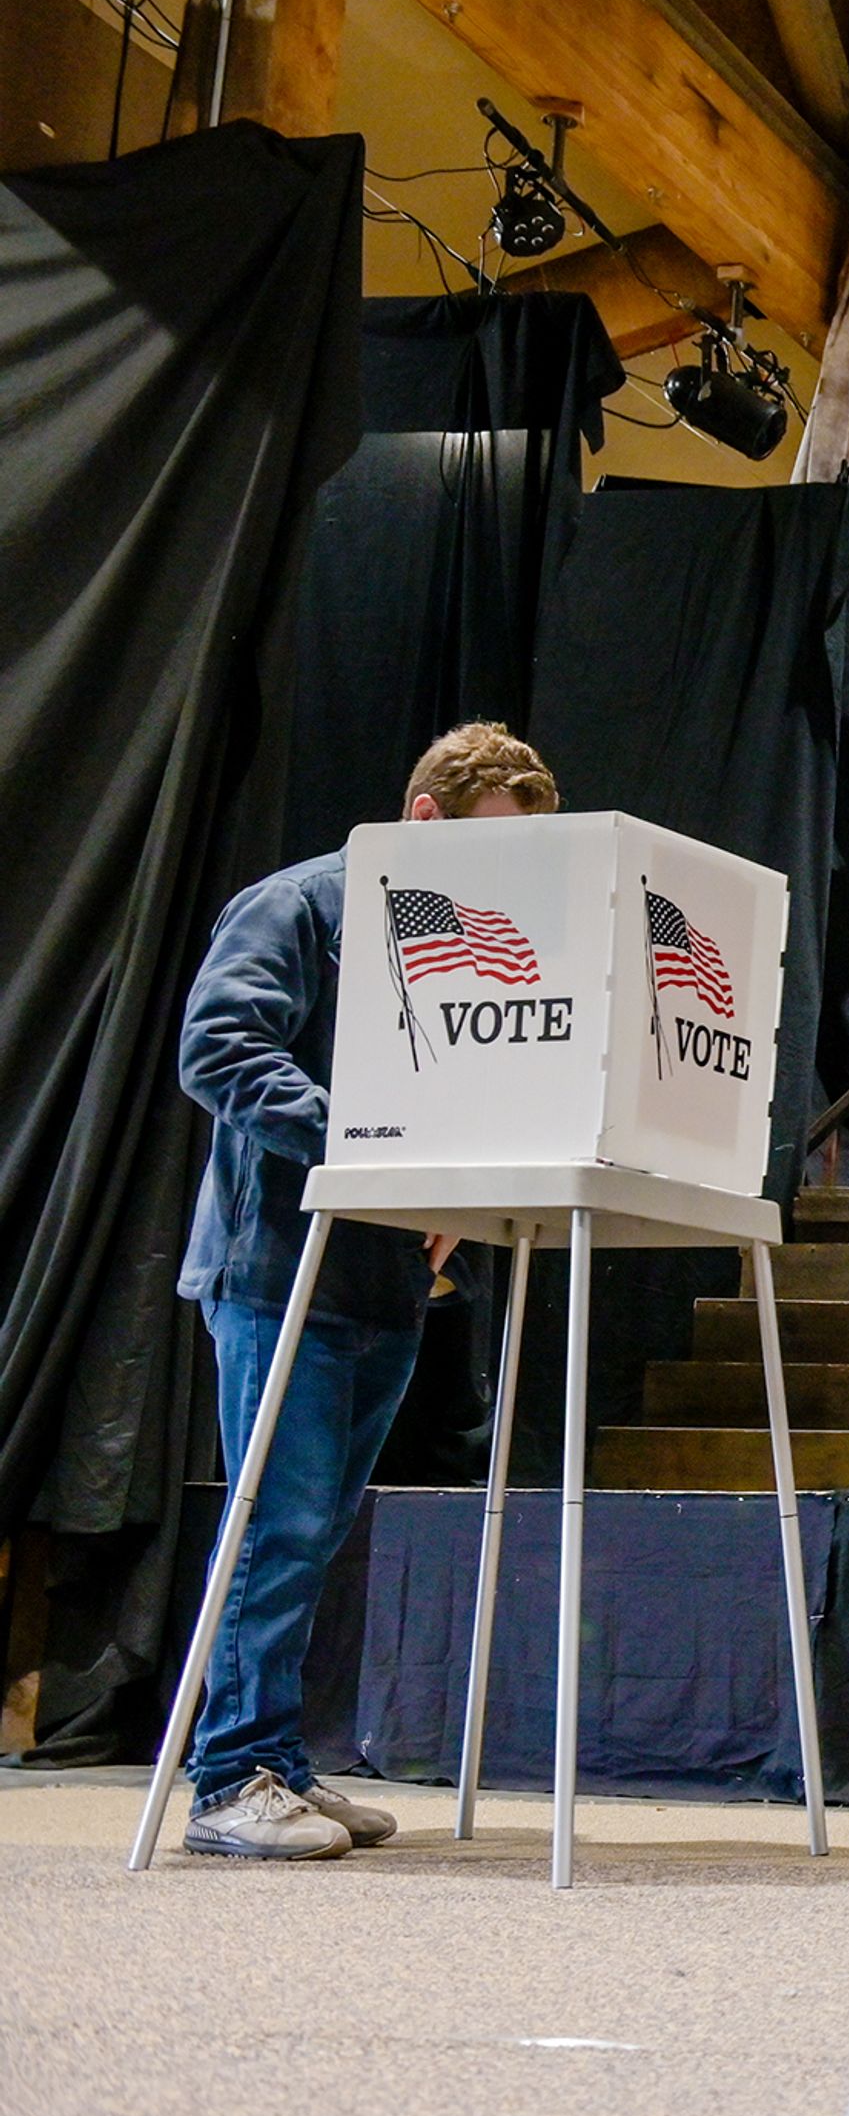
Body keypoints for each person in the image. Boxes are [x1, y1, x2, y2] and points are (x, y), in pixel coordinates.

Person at [172, 723, 563, 1860]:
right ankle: (227, 1777)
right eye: (493, 848)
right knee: (275, 1527)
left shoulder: (475, 938)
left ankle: (280, 1762)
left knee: (320, 1532)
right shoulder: (299, 905)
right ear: (427, 819)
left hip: (393, 1276)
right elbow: (219, 1049)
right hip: (278, 1268)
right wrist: (372, 1145)